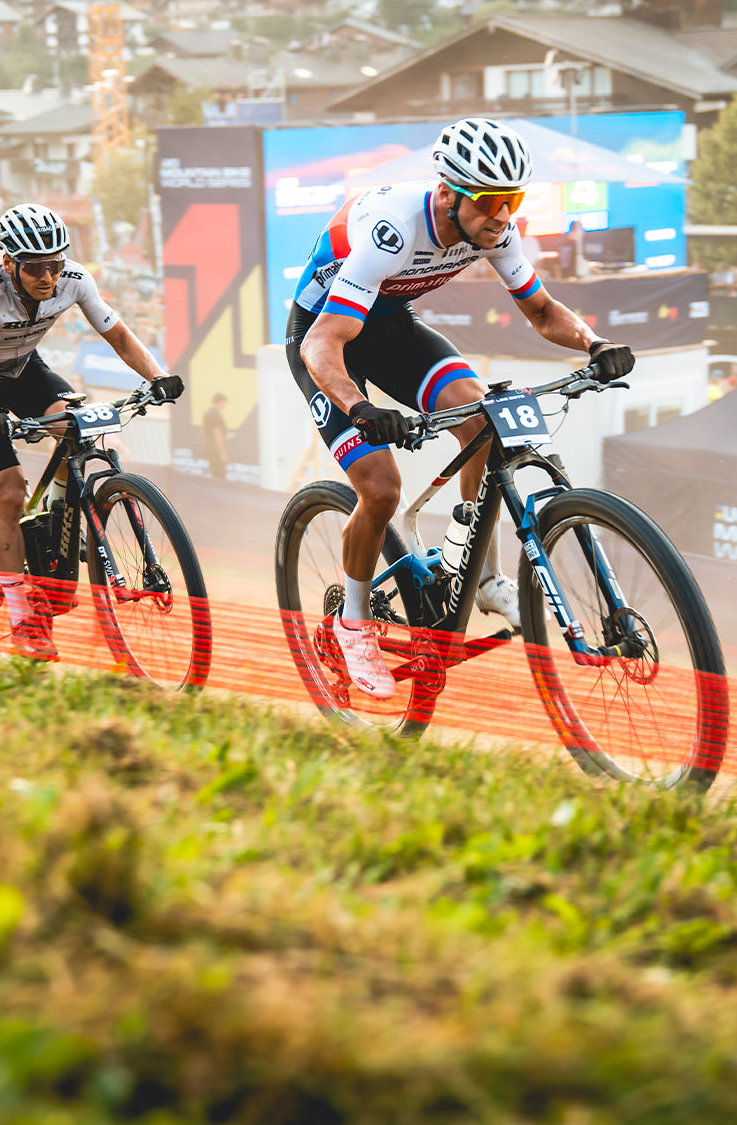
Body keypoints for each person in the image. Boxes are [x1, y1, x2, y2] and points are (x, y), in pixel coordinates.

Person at [286, 117, 635, 699]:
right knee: (380, 488)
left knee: (486, 421)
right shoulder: (391, 229)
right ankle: (353, 628)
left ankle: (477, 571)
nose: (502, 216)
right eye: (490, 201)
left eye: (513, 200)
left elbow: (543, 311)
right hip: (326, 338)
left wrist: (595, 344)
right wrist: (359, 406)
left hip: (391, 327)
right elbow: (322, 344)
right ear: (447, 192)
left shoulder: (496, 231)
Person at [0, 202, 183, 660]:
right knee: (8, 493)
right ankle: (21, 614)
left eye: (56, 264)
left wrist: (156, 377)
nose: (48, 277)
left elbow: (119, 335)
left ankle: (57, 520)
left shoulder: (75, 280)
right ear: (9, 264)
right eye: (36, 268)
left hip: (27, 372)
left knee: (84, 430)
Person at [202, 392, 229, 479]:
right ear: (220, 402)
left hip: (209, 448)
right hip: (216, 450)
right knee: (220, 475)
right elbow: (218, 434)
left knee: (214, 473)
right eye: (224, 402)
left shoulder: (207, 413)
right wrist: (222, 453)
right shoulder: (216, 415)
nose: (224, 405)